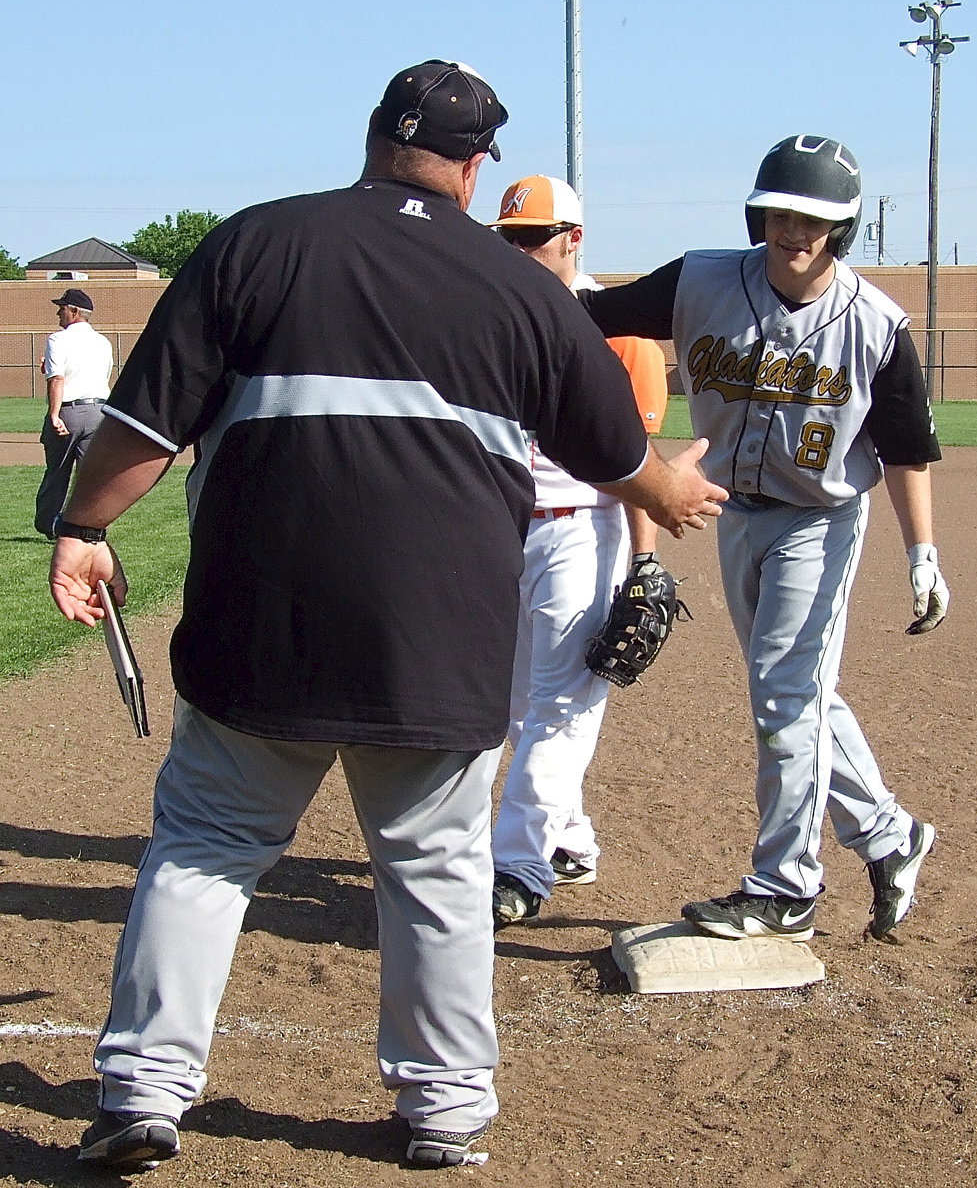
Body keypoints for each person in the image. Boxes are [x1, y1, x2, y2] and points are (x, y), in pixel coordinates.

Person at [47, 60, 727, 1172]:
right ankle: (446, 1110)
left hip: (259, 629)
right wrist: (676, 492)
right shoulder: (520, 290)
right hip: (437, 645)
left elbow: (140, 433)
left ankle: (142, 1093)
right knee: (437, 870)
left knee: (207, 848)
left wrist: (80, 529)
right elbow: (623, 463)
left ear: (372, 139)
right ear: (475, 166)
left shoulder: (254, 243)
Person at [579, 134, 949, 945]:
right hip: (733, 516)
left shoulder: (875, 325)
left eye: (813, 217)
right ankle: (890, 837)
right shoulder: (700, 280)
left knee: (785, 699)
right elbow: (592, 313)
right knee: (799, 694)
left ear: (842, 227)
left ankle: (786, 887)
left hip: (818, 522)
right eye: (780, 211)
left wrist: (922, 555)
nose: (793, 229)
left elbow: (905, 449)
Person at [487, 175, 669, 929]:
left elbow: (641, 457)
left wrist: (644, 561)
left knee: (560, 704)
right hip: (500, 525)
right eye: (511, 238)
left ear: (575, 237)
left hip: (580, 527)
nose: (522, 250)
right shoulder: (492, 316)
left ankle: (517, 865)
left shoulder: (619, 332)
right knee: (514, 707)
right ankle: (568, 840)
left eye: (536, 236)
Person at [33, 287, 113, 537]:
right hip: (99, 411)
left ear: (75, 312)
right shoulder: (103, 342)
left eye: (63, 308)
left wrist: (54, 414)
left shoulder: (58, 339)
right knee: (90, 474)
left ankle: (49, 524)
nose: (59, 312)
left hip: (70, 410)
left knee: (57, 472)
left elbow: (56, 379)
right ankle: (88, 526)